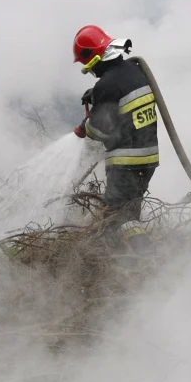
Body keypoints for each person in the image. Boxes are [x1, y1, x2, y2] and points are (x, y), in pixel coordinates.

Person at [71, 24, 159, 245]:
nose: (92, 73)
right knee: (129, 214)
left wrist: (86, 127)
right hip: (148, 159)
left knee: (117, 217)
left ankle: (139, 258)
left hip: (125, 161)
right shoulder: (134, 71)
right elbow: (122, 102)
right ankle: (132, 262)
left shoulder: (107, 84)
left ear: (94, 60)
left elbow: (101, 129)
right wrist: (98, 96)